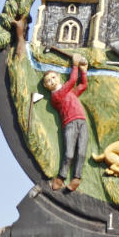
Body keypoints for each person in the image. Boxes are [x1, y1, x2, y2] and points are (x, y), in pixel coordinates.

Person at [43, 55, 89, 192]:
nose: (51, 81)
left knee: (81, 151)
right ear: (46, 86)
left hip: (82, 121)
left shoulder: (70, 92)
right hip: (69, 123)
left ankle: (76, 178)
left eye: (53, 77)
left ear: (58, 77)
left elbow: (83, 85)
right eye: (48, 81)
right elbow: (73, 80)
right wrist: (75, 65)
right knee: (69, 153)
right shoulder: (56, 96)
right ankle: (61, 177)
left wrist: (84, 71)